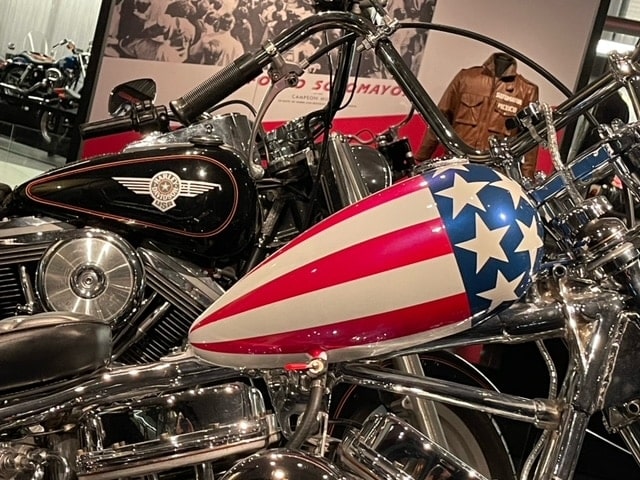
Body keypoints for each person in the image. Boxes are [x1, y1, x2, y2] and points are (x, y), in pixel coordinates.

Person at [415, 52, 539, 178]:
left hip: (494, 172)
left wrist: (526, 178)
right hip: (456, 163)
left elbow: (529, 139)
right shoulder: (466, 78)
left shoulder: (526, 91)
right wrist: (422, 157)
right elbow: (441, 117)